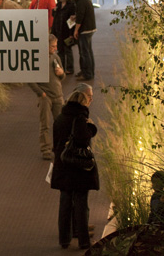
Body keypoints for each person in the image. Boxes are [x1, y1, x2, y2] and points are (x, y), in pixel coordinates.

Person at [51, 83, 99, 250]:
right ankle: (84, 241)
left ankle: (64, 239)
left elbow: (55, 143)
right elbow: (83, 138)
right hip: (77, 167)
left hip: (62, 165)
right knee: (80, 203)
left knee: (65, 202)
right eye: (89, 98)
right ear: (82, 101)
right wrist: (91, 127)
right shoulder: (79, 118)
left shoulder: (60, 117)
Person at [28, 34, 65, 160]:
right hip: (45, 96)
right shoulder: (37, 59)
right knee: (45, 124)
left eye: (55, 46)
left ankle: (59, 148)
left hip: (58, 95)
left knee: (60, 124)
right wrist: (41, 93)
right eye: (52, 46)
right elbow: (30, 79)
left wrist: (62, 73)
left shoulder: (56, 58)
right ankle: (46, 150)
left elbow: (62, 77)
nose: (55, 48)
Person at [71, 0, 96, 81]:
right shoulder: (85, 0)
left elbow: (80, 18)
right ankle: (89, 71)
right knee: (88, 51)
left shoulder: (81, 2)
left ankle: (87, 74)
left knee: (84, 52)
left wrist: (76, 30)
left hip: (85, 30)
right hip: (90, 28)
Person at [51, 0, 76, 75]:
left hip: (66, 31)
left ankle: (70, 68)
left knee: (68, 50)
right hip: (58, 30)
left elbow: (72, 21)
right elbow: (54, 16)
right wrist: (54, 11)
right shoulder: (58, 5)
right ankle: (62, 67)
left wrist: (71, 34)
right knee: (60, 50)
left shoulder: (71, 6)